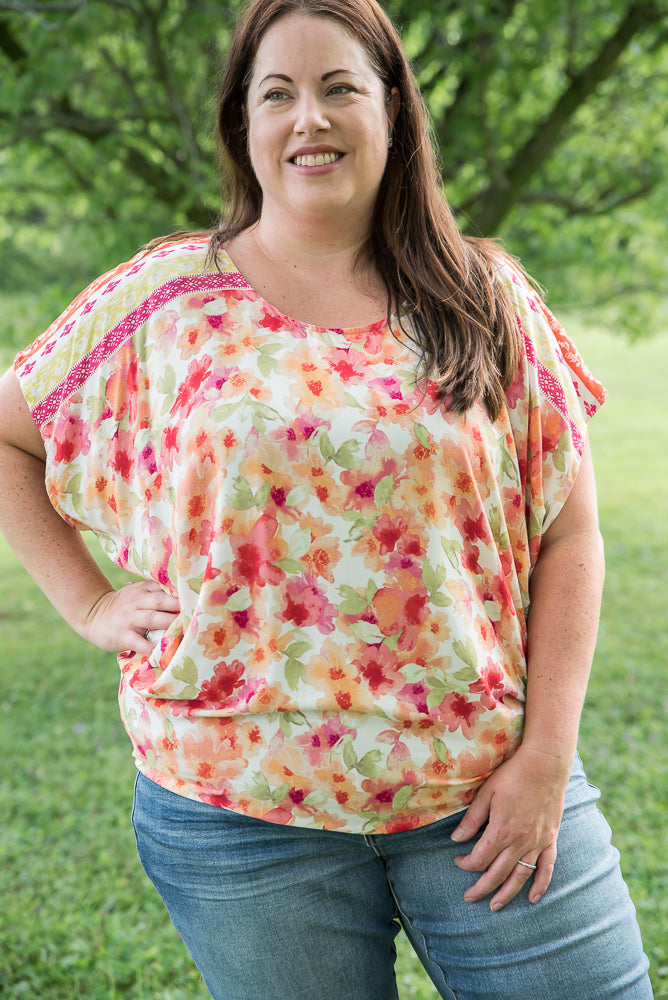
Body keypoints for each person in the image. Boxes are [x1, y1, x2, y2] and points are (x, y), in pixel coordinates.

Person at [0, 0, 653, 997]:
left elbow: (567, 533)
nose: (308, 118)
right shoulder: (163, 299)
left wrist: (546, 758)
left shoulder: (485, 294)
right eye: (278, 94)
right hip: (237, 813)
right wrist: (88, 602)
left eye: (339, 87)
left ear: (392, 112)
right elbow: (8, 431)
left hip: (482, 784)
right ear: (244, 128)